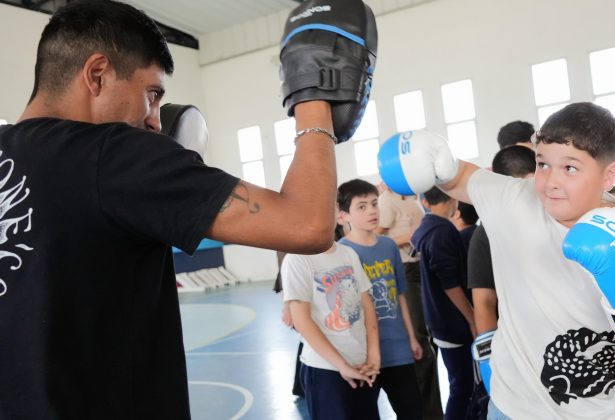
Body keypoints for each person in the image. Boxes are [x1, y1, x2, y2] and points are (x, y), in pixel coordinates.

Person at [0, 0, 376, 417]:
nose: (156, 122)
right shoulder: (113, 155)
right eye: (152, 94)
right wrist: (314, 96)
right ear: (97, 74)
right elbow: (307, 226)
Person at [378, 103, 615, 419]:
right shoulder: (516, 199)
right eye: (543, 164)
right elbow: (457, 175)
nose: (550, 181)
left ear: (608, 174)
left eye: (570, 168)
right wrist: (430, 157)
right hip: (515, 409)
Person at [337, 179, 424, 419]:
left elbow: (400, 295)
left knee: (412, 411)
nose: (372, 211)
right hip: (362, 355)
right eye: (362, 207)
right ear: (344, 215)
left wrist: (411, 336)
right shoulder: (343, 252)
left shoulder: (388, 246)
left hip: (397, 349)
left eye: (374, 204)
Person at [282, 225, 380, 420]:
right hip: (326, 369)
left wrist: (374, 355)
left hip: (362, 365)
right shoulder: (297, 259)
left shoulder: (348, 253)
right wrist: (341, 365)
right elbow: (302, 320)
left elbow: (367, 307)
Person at [375, 184, 443, 419]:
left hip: (420, 267)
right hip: (405, 269)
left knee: (428, 340)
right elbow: (376, 238)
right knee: (420, 343)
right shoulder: (386, 201)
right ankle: (425, 412)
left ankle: (432, 410)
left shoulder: (411, 200)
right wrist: (411, 236)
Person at [411, 186, 476, 420]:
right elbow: (450, 283)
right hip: (453, 322)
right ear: (453, 198)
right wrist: (471, 318)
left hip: (440, 320)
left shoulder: (427, 227)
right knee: (463, 386)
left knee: (460, 384)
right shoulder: (443, 231)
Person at [469, 145, 536, 347]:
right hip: (518, 345)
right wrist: (489, 360)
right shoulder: (486, 233)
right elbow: (484, 303)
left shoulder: (556, 217)